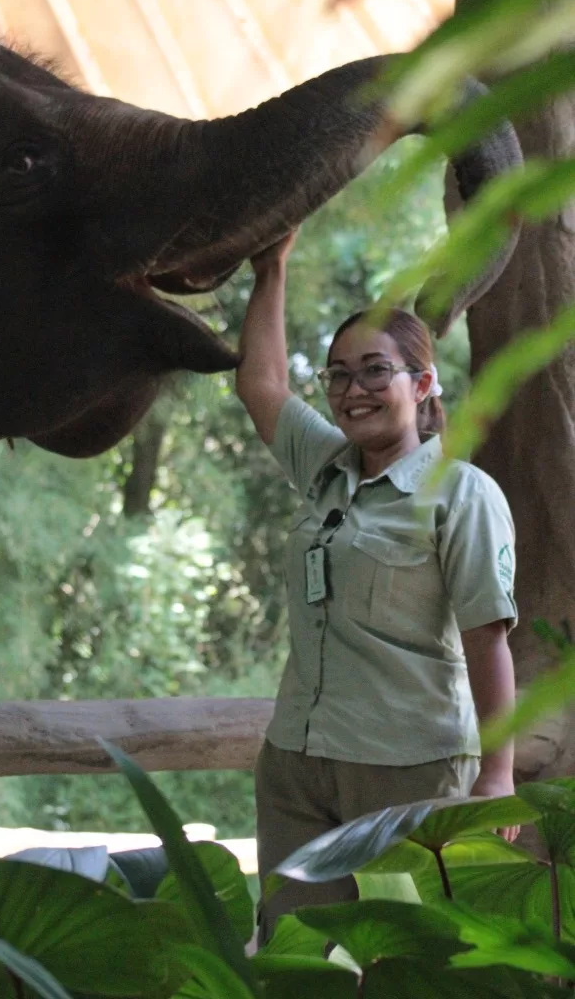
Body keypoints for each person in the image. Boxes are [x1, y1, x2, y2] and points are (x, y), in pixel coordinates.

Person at [236, 231, 519, 937]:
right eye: (336, 375)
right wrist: (270, 267)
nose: (351, 391)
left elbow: (487, 640)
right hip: (298, 764)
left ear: (420, 385)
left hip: (408, 772)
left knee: (407, 960)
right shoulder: (326, 465)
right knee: (298, 958)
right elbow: (260, 384)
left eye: (373, 371)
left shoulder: (460, 493)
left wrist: (496, 776)